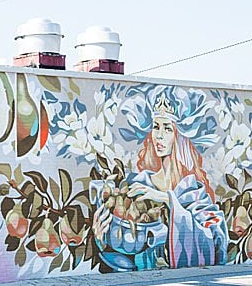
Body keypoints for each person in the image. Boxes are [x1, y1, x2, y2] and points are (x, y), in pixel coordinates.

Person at [93, 92, 228, 270]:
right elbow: (125, 251)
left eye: (167, 129)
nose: (159, 136)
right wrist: (101, 239)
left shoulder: (191, 190)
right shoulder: (138, 183)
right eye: (156, 127)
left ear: (179, 138)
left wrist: (167, 200)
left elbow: (217, 240)